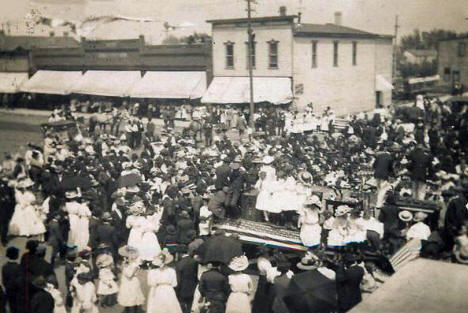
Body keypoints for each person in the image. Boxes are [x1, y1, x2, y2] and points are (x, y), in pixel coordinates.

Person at [147, 249, 182, 313]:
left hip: (160, 290)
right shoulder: (171, 271)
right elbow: (174, 284)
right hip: (167, 290)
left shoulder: (154, 272)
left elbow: (151, 283)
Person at [175, 245, 199, 313]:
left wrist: (177, 290)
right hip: (192, 287)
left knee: (182, 306)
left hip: (182, 289)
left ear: (179, 253)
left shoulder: (179, 264)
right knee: (190, 305)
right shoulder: (194, 262)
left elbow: (178, 279)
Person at [2, 246, 22, 313]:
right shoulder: (18, 268)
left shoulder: (4, 267)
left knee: (12, 307)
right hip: (18, 293)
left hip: (9, 291)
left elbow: (4, 281)